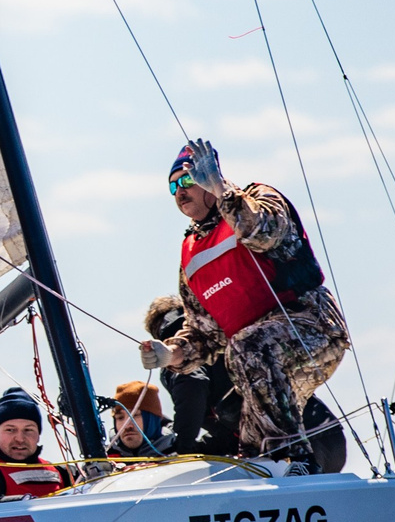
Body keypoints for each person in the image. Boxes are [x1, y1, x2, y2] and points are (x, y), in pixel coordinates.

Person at [138, 139, 349, 465]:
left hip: (312, 325)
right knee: (233, 410)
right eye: (173, 187)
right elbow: (204, 335)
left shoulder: (258, 199)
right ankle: (262, 464)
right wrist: (170, 353)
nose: (180, 192)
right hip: (258, 350)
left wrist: (222, 190)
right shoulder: (191, 255)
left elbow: (263, 232)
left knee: (247, 349)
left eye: (187, 180)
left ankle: (291, 459)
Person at [144, 295, 241, 454]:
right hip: (279, 424)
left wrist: (183, 448)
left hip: (259, 434)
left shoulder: (177, 357)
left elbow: (191, 382)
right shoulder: (221, 336)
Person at [101, 381, 171, 458]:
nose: (127, 425)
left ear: (152, 420)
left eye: (135, 415)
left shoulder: (180, 451)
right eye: (120, 417)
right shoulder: (105, 461)